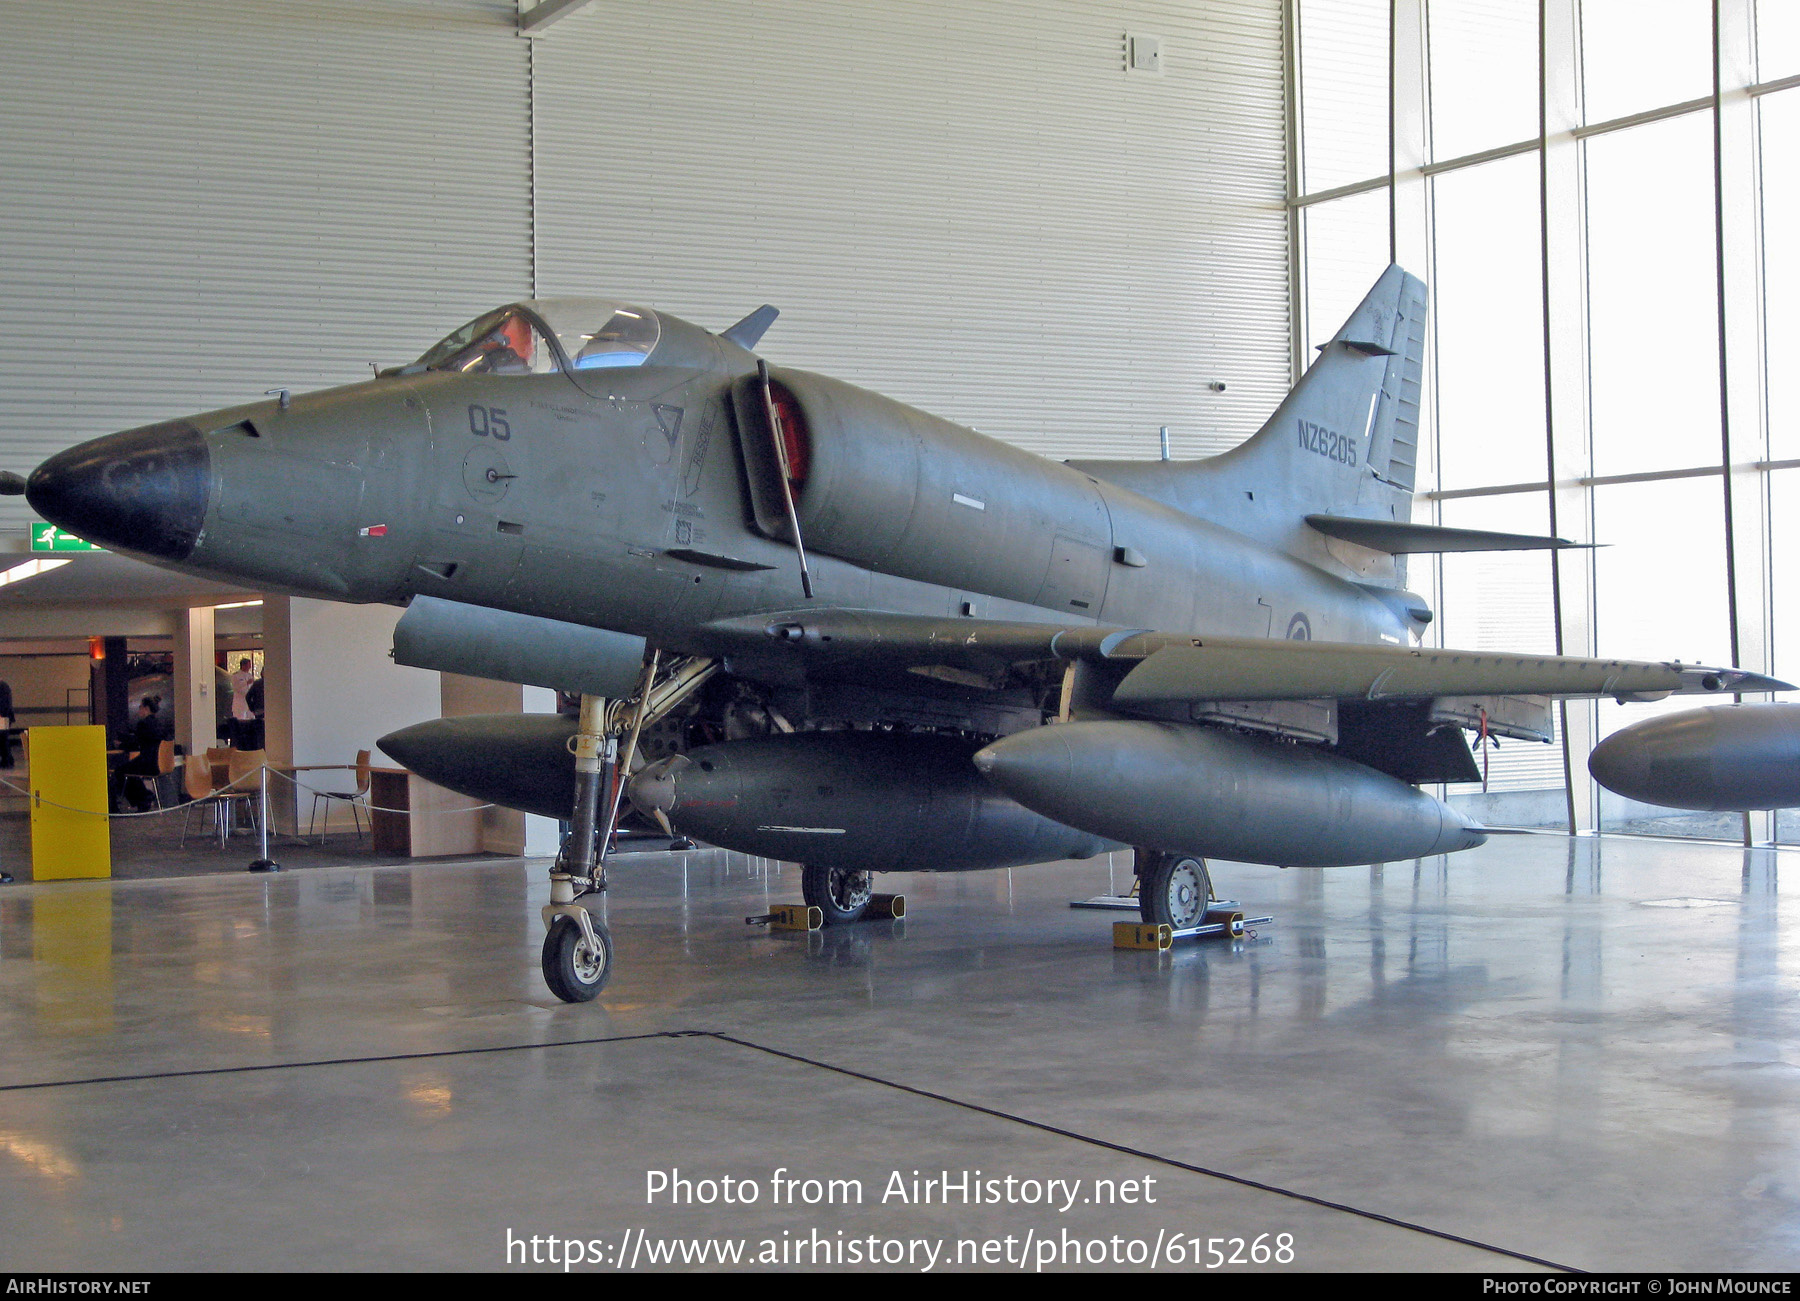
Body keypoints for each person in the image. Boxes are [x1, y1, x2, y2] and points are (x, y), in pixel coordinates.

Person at [119, 695, 165, 812]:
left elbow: (136, 743)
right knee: (129, 770)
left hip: (148, 762)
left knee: (121, 771)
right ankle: (144, 796)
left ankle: (143, 797)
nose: (139, 710)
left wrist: (120, 744)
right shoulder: (160, 723)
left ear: (146, 708)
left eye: (140, 707)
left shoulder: (143, 724)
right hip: (160, 762)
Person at [228, 657, 255, 748]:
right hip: (240, 704)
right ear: (244, 665)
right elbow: (236, 688)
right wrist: (246, 683)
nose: (250, 666)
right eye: (248, 664)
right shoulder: (236, 676)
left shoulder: (250, 675)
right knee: (239, 724)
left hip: (249, 704)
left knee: (251, 721)